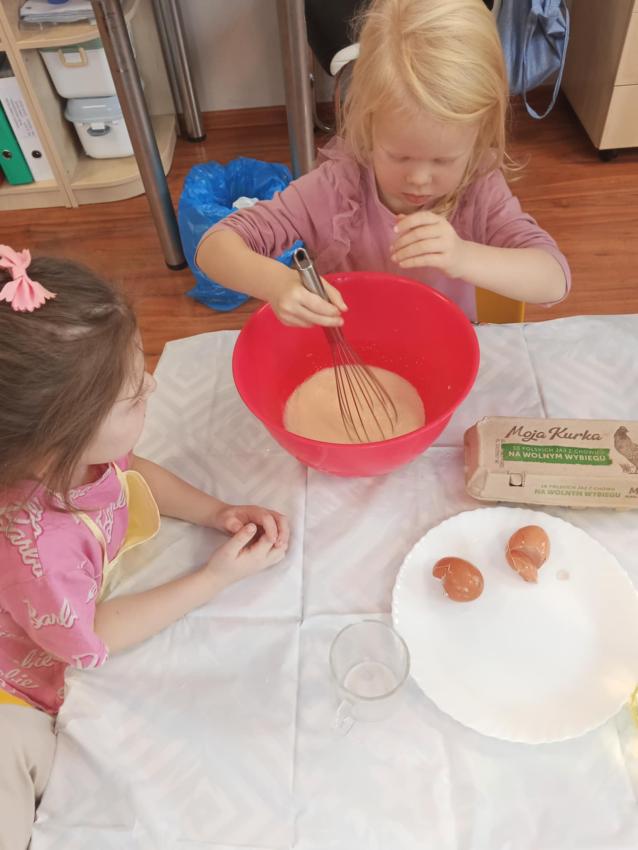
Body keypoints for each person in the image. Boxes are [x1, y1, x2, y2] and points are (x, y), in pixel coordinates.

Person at [0, 247, 290, 850]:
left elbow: (129, 471)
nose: (153, 384)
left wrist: (214, 511)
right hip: (15, 692)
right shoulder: (39, 549)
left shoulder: (72, 455)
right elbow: (92, 635)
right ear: (59, 440)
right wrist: (212, 579)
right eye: (133, 395)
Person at [196, 0, 570, 325]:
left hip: (444, 347)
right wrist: (277, 283)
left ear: (479, 136)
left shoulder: (479, 189)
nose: (419, 178)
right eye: (398, 155)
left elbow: (554, 278)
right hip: (355, 347)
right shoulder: (337, 188)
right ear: (366, 125)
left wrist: (463, 256)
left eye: (443, 159)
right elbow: (214, 246)